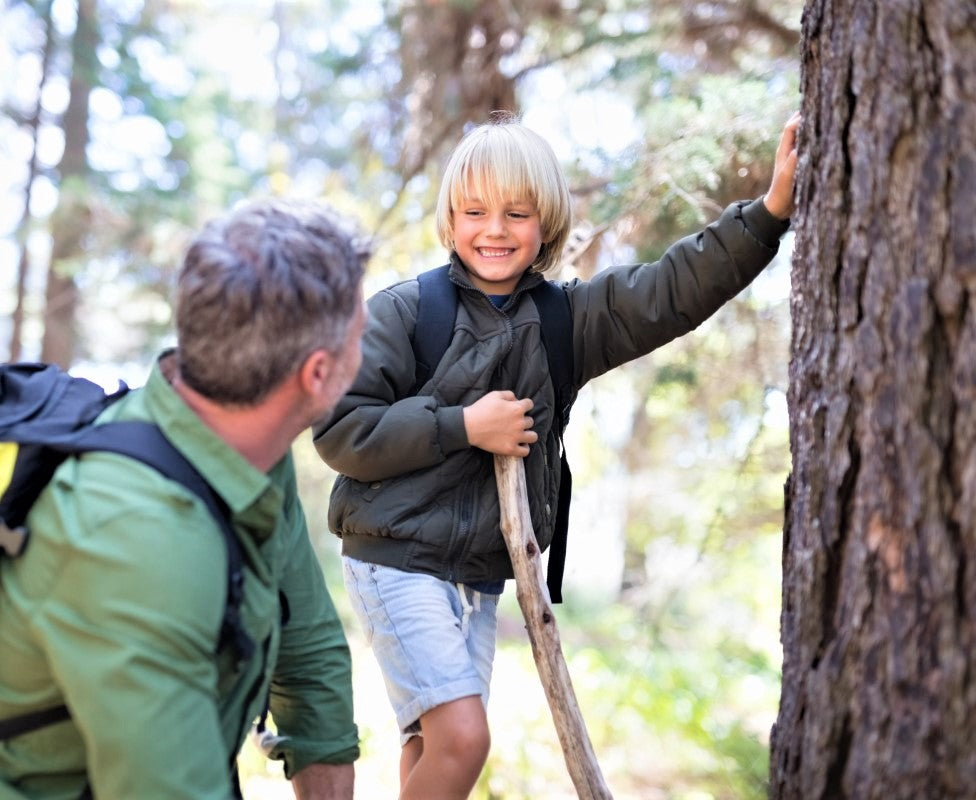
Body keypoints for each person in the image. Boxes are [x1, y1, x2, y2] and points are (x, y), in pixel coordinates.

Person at [312, 111, 800, 799]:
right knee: (463, 737)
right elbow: (340, 432)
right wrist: (460, 426)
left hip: (479, 576)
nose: (495, 230)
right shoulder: (405, 313)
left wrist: (770, 212)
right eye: (475, 211)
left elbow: (669, 291)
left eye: (517, 213)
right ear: (450, 219)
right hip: (394, 559)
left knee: (429, 743)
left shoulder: (568, 322)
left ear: (546, 222)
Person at [0, 199, 371, 799]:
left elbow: (309, 651)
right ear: (317, 374)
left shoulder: (250, 454)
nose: (367, 347)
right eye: (361, 333)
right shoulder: (133, 538)